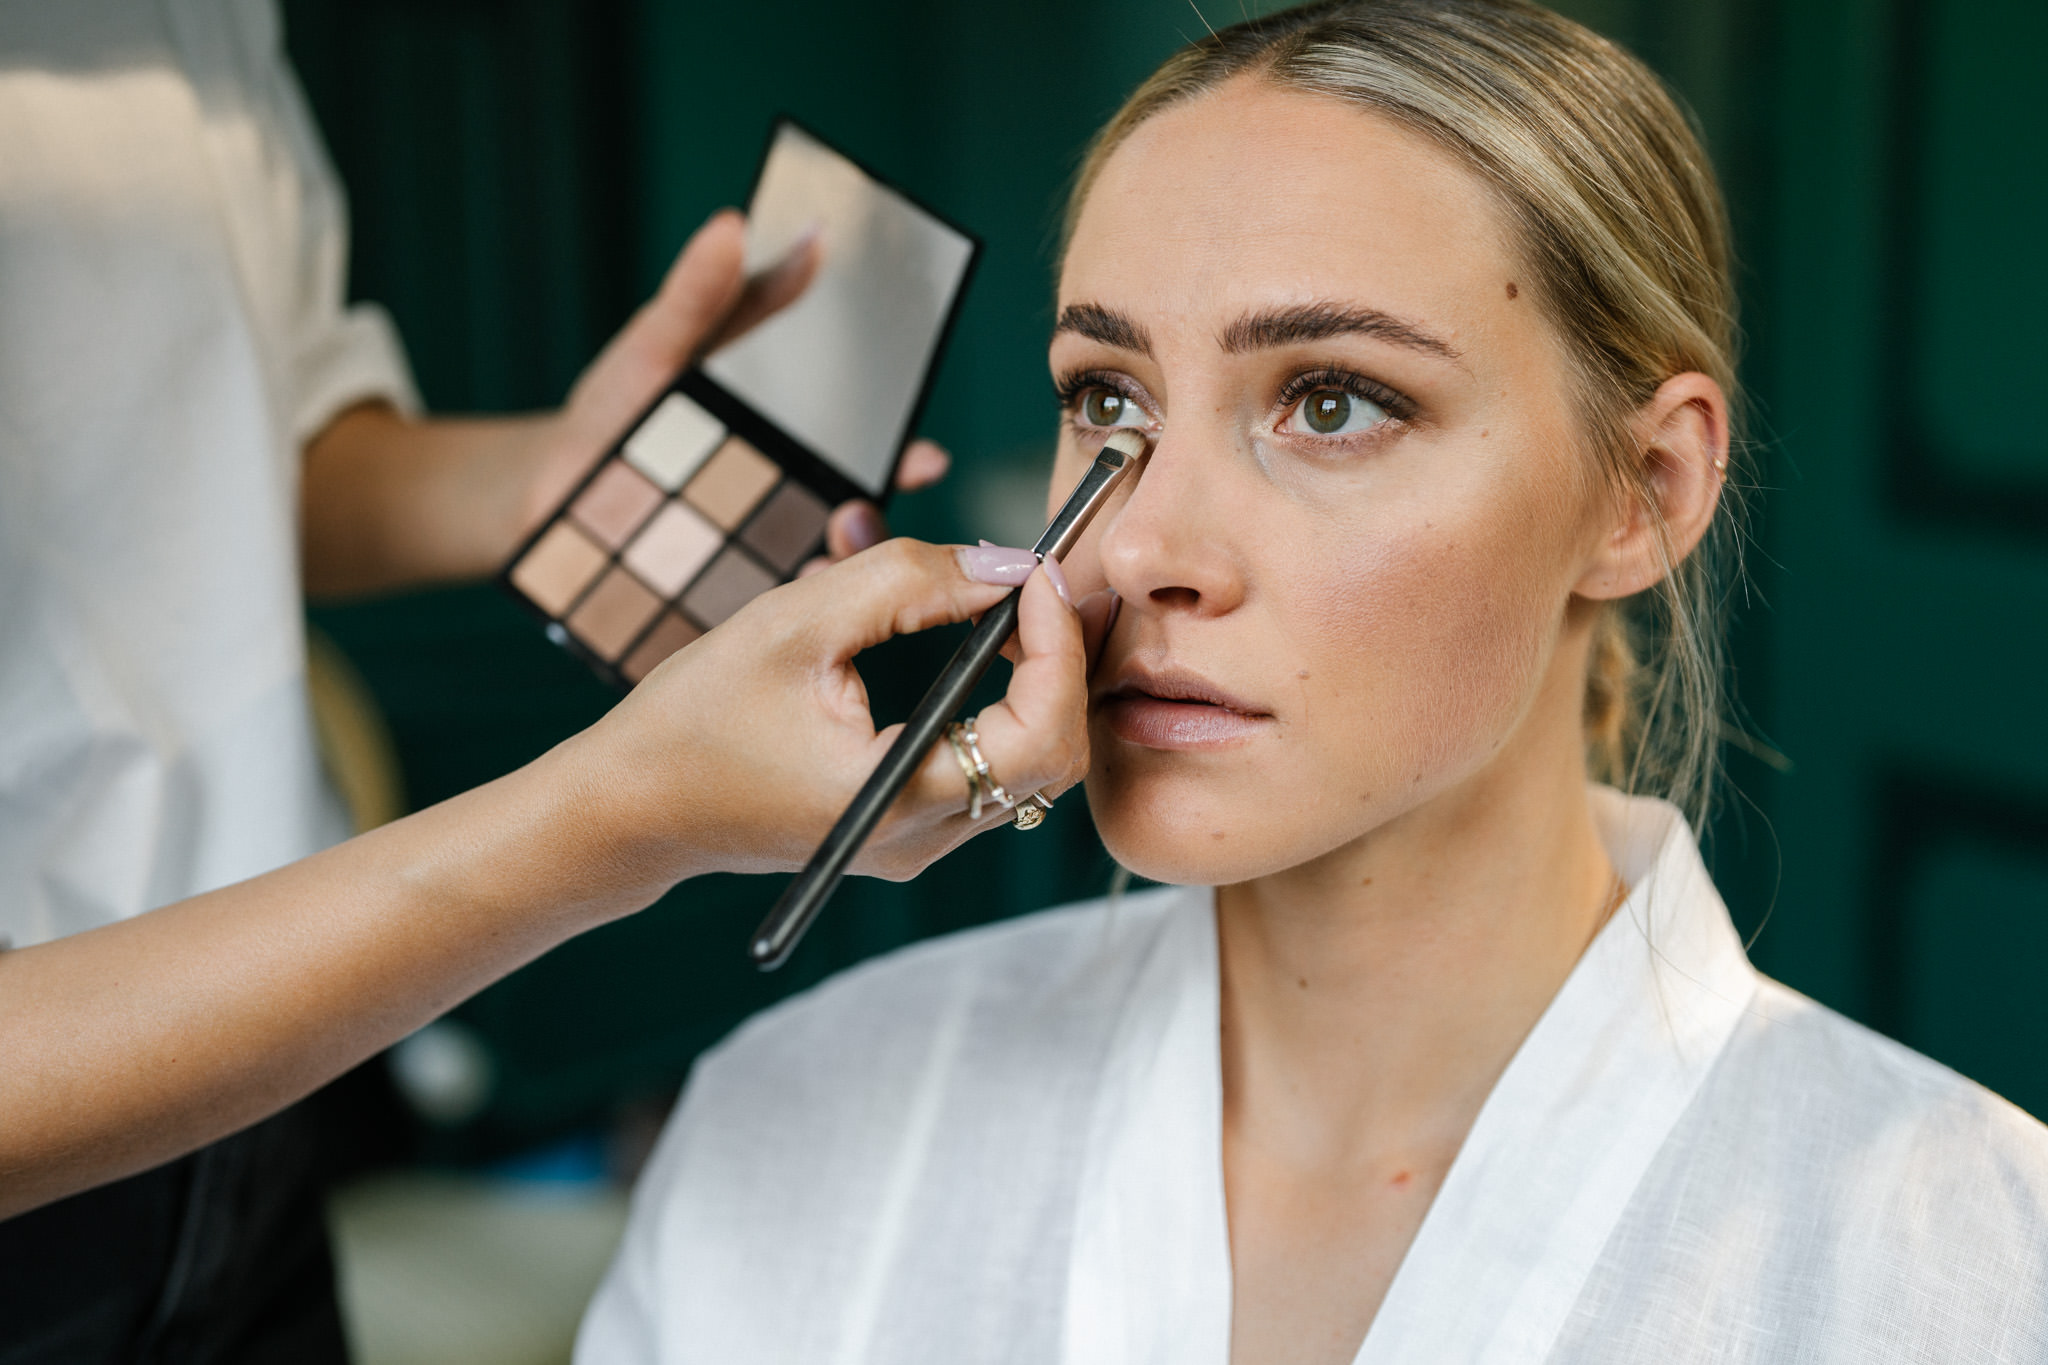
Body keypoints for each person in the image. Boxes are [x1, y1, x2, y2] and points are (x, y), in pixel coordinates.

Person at [575, 2, 2048, 1362]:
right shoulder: (796, 1123)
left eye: (1332, 402)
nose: (1139, 544)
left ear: (1645, 492)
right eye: (1109, 398)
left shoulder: (1977, 1262)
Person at [0, 4, 1093, 1361]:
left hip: (260, 1096)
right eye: (1102, 399)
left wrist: (560, 474)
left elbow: (230, 454)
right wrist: (621, 817)